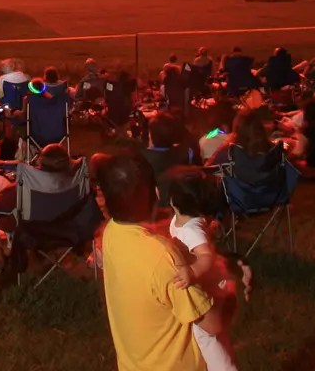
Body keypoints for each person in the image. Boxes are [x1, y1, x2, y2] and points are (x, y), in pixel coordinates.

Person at [94, 150, 213, 371]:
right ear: (156, 193)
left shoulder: (111, 233)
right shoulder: (163, 256)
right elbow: (210, 322)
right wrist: (227, 283)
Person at [164, 169, 244, 371]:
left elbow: (206, 256)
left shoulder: (192, 230)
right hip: (202, 284)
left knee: (207, 337)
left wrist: (192, 271)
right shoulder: (181, 221)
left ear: (173, 200)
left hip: (208, 285)